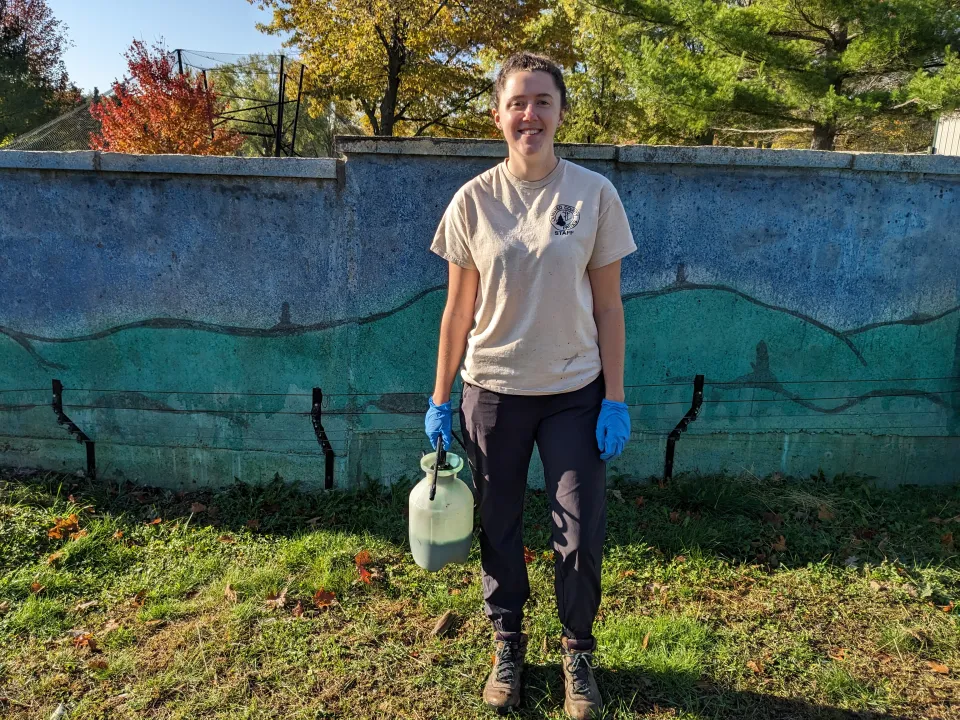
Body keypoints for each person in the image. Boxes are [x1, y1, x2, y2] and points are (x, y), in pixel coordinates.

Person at [424, 51, 636, 719]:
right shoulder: (473, 201)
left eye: (543, 101)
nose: (530, 114)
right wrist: (438, 400)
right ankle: (508, 644)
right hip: (492, 390)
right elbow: (458, 310)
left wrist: (617, 396)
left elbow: (608, 306)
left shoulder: (595, 194)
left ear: (561, 112)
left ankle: (577, 652)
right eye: (518, 102)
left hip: (576, 391)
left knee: (579, 530)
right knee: (499, 524)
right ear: (498, 116)